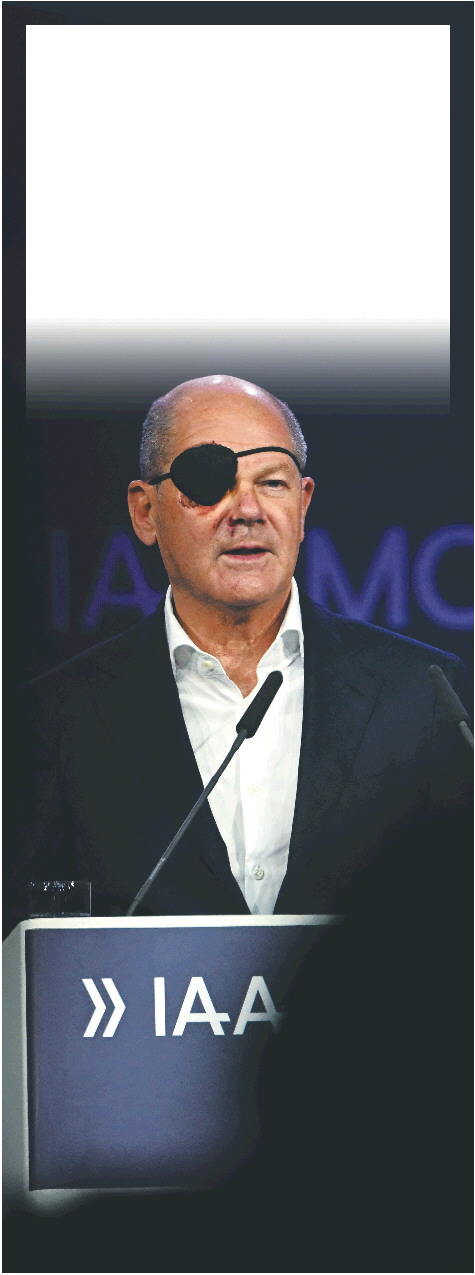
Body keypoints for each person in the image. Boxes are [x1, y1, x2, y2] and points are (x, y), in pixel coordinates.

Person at [8, 373, 470, 925]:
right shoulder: (56, 719)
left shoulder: (425, 696)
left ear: (302, 504)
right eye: (209, 484)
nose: (247, 510)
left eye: (272, 483)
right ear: (146, 512)